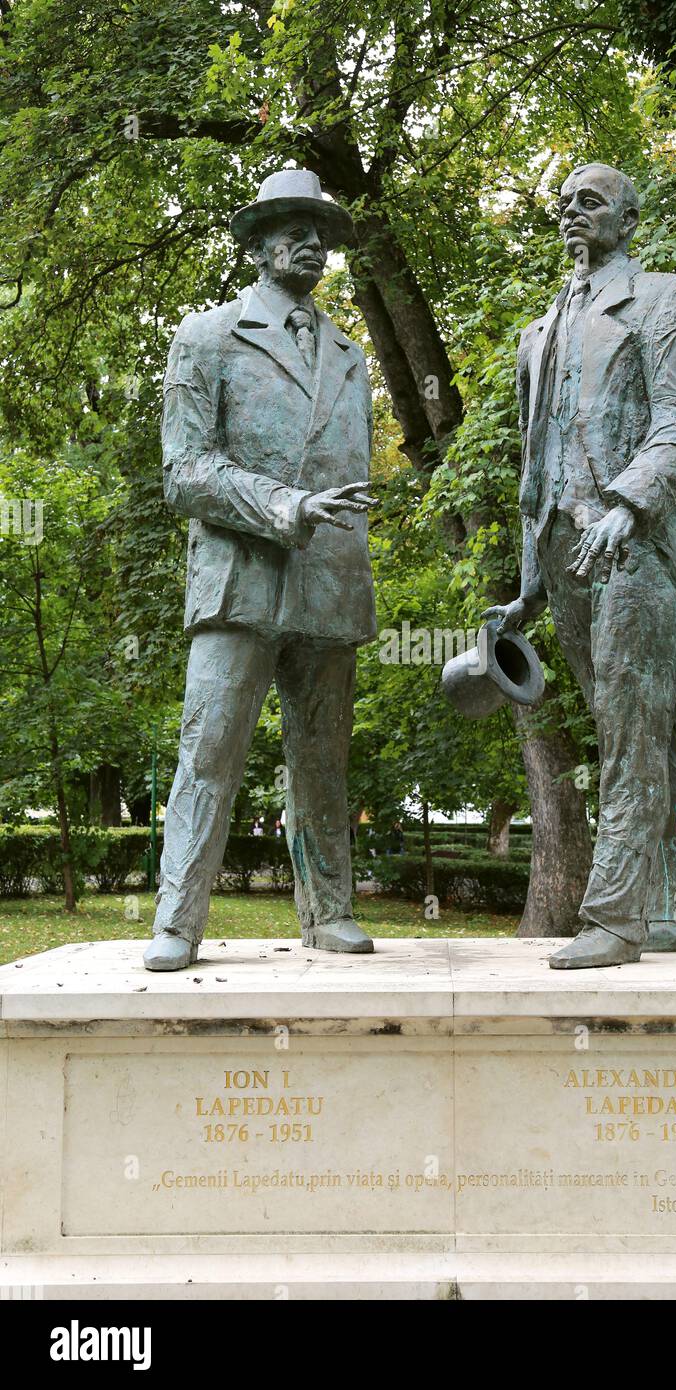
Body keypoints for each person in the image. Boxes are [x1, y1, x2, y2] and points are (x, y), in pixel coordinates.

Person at [485, 163, 676, 969]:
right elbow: (539, 463)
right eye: (564, 203)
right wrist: (526, 586)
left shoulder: (664, 299)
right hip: (563, 552)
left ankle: (616, 919)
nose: (572, 213)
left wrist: (629, 505)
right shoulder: (542, 327)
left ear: (628, 219)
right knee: (642, 732)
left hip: (638, 542)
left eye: (590, 202)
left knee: (629, 732)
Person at [144, 170, 378, 971]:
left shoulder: (351, 356)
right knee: (209, 749)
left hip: (329, 581)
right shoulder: (204, 337)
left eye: (320, 229)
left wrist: (326, 526)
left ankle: (330, 910)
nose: (311, 240)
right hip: (239, 578)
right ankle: (177, 920)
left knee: (323, 757)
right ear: (254, 244)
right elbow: (184, 472)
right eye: (291, 225)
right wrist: (284, 506)